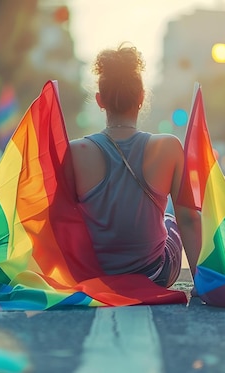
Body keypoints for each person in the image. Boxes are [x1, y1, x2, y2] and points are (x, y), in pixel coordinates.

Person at [70, 43, 202, 290]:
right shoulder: (169, 147)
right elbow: (189, 219)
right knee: (171, 217)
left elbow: (62, 219)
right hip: (155, 274)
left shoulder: (76, 152)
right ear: (141, 97)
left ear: (100, 100)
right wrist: (202, 284)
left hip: (94, 275)